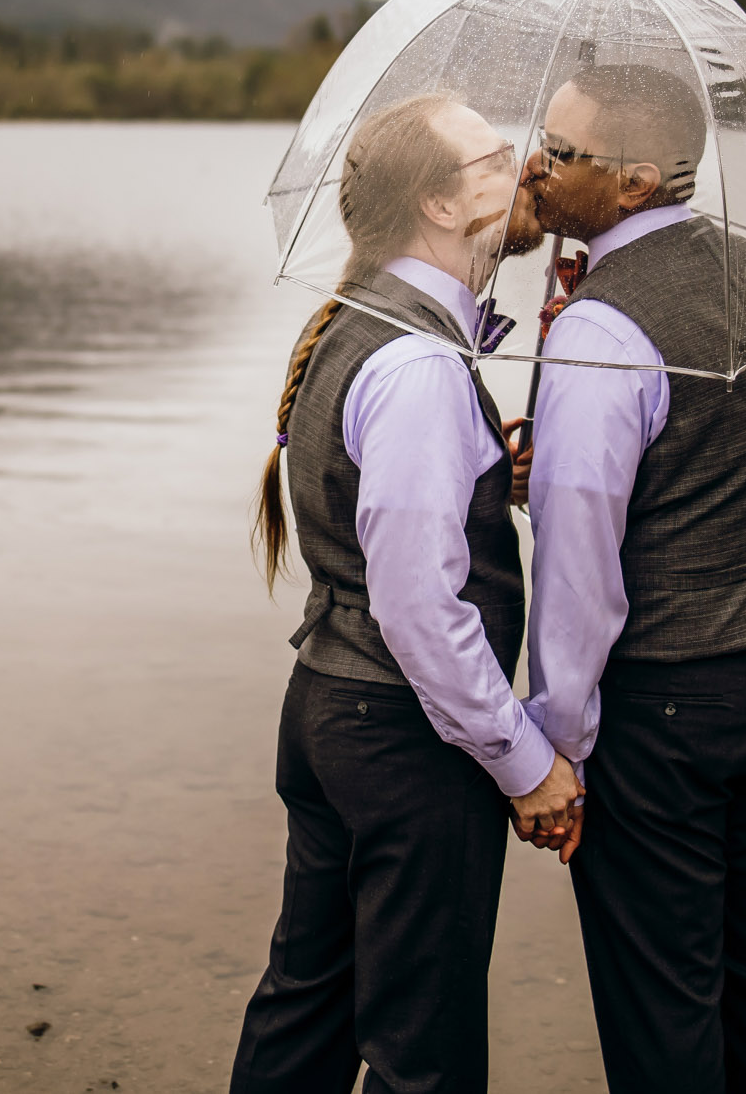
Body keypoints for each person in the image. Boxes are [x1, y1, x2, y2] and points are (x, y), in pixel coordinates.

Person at [231, 91, 580, 1094]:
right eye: (492, 159)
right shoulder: (421, 363)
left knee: (307, 1005)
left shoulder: (365, 325)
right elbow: (419, 607)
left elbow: (376, 519)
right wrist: (523, 760)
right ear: (436, 204)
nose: (527, 170)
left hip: (329, 711)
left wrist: (487, 467)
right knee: (423, 1051)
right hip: (403, 741)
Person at [521, 62, 746, 1094]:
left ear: (636, 180)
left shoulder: (602, 328)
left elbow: (579, 567)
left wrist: (556, 745)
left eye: (562, 152)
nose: (538, 162)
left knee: (663, 1003)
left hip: (665, 705)